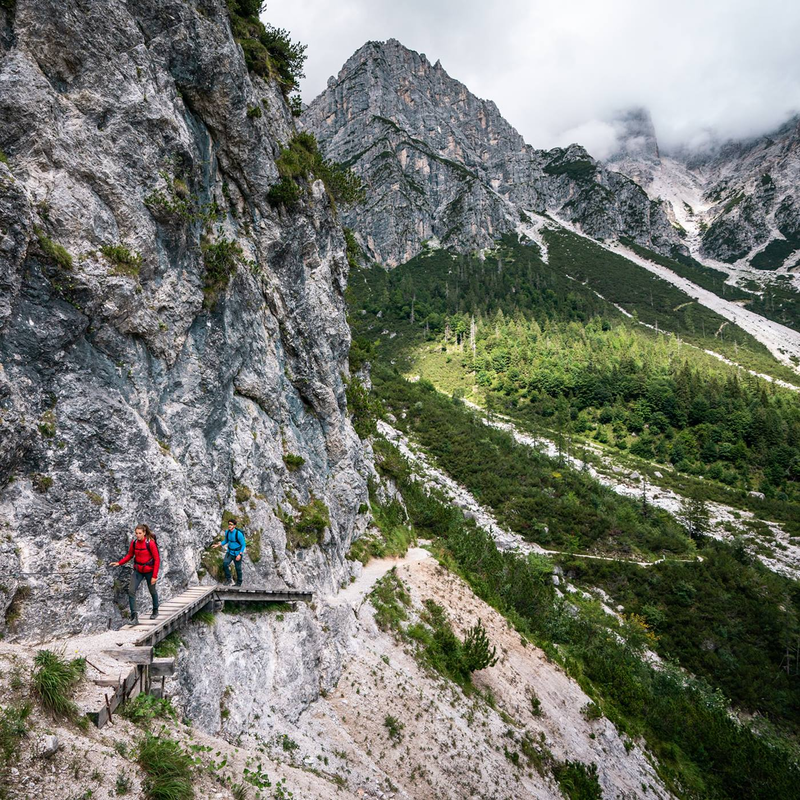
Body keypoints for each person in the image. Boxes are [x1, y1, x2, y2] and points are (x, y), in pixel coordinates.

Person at [110, 524, 159, 625]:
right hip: (138, 571)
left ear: (144, 533)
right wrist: (119, 563)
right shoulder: (134, 542)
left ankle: (155, 610)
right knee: (131, 591)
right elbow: (130, 555)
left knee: (152, 590)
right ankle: (134, 617)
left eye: (140, 533)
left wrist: (154, 576)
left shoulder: (150, 543)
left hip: (149, 571)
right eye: (136, 533)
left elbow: (157, 559)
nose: (138, 535)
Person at [214, 518, 246, 586]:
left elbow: (243, 545)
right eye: (229, 524)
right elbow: (226, 540)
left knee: (238, 568)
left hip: (237, 553)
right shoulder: (227, 532)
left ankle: (239, 583)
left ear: (234, 526)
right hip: (229, 552)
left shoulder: (239, 534)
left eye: (231, 525)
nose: (229, 526)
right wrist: (218, 545)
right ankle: (228, 579)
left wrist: (240, 554)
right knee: (225, 564)